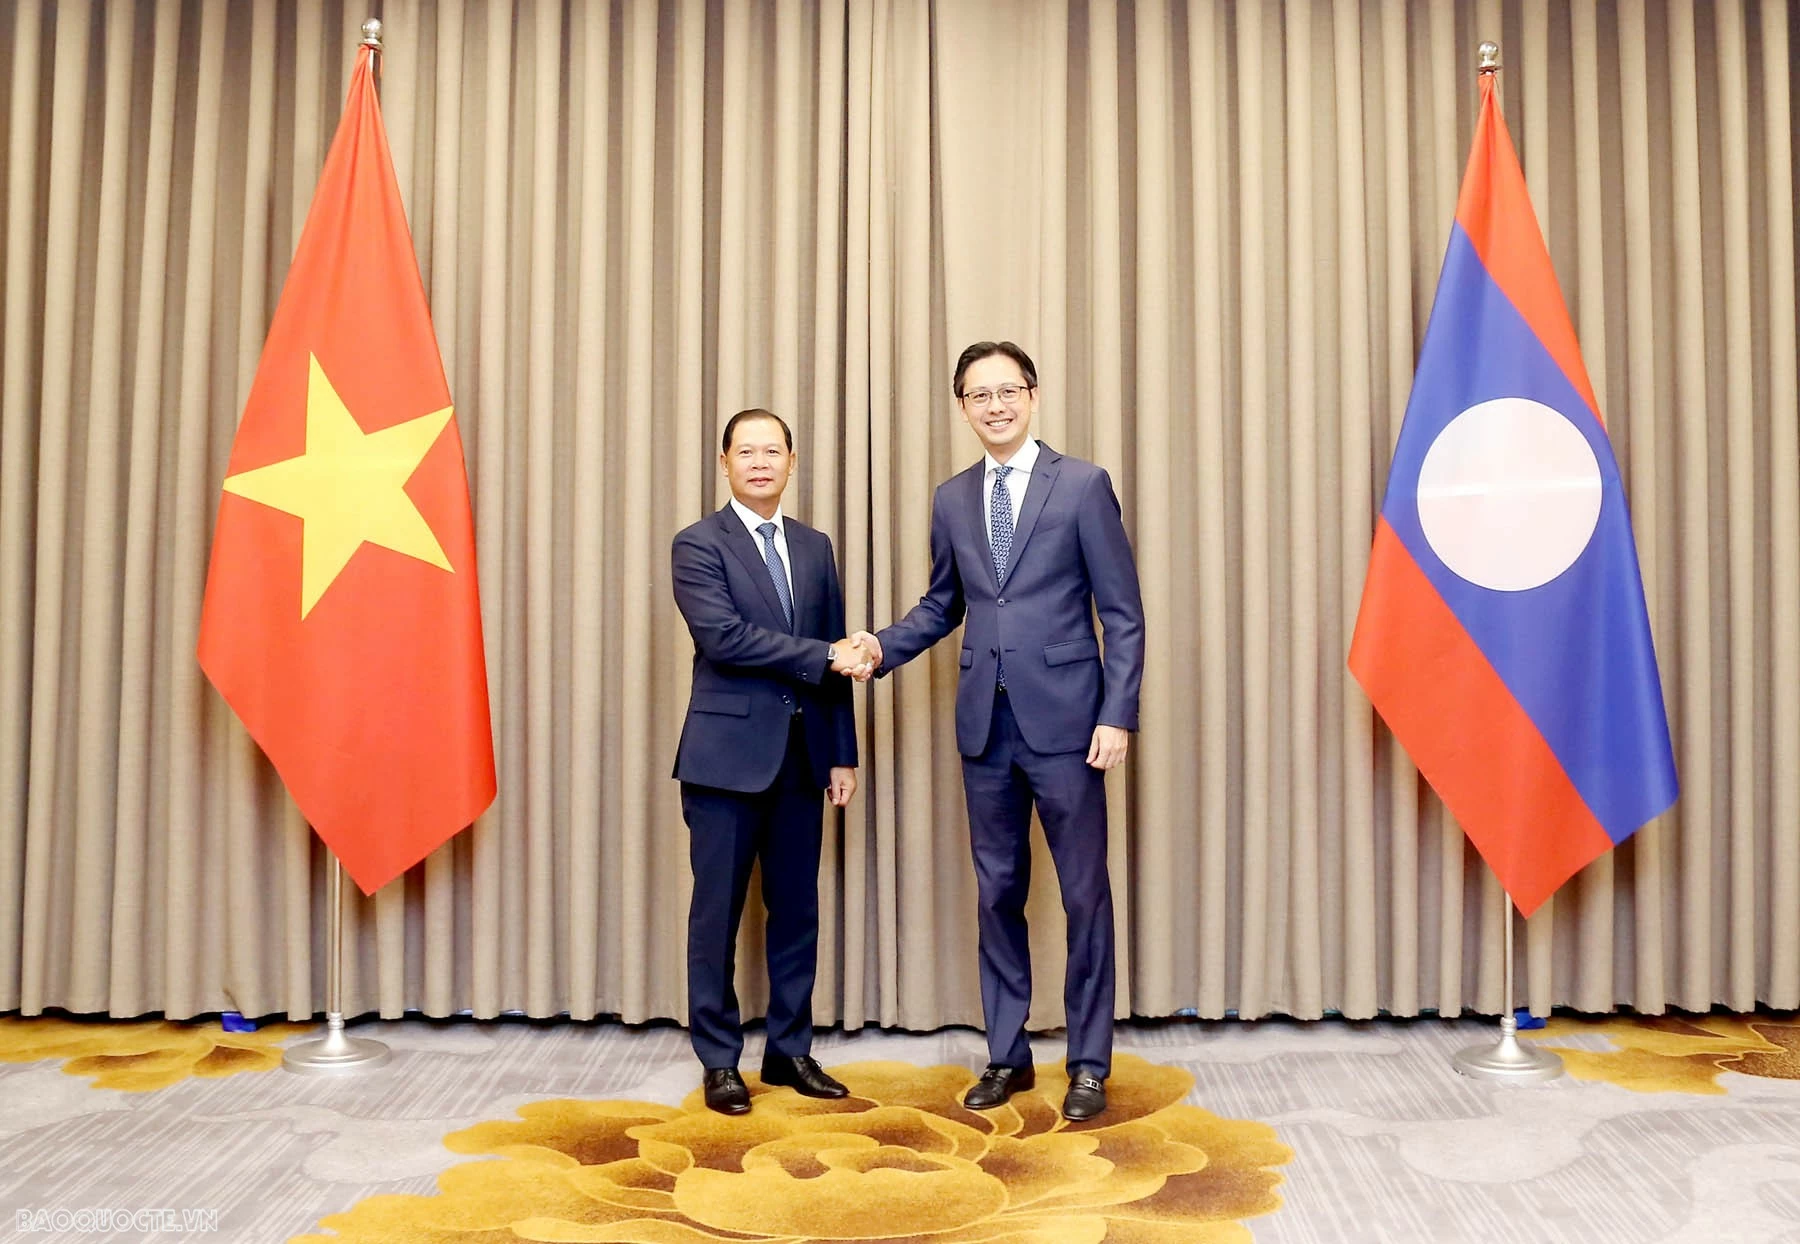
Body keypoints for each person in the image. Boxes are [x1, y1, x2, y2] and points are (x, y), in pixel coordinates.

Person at [852, 341, 1144, 1121]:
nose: (995, 406)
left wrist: (1117, 713)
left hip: (1071, 724)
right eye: (979, 396)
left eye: (1007, 391)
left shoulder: (1082, 486)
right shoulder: (952, 498)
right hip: (986, 726)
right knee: (997, 893)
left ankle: (1088, 1064)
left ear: (1033, 396)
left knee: (1084, 896)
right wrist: (881, 647)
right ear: (962, 408)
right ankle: (1008, 1056)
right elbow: (942, 605)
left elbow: (1122, 613)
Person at [670, 408, 873, 1115]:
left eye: (772, 451)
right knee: (716, 916)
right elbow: (724, 638)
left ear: (792, 462)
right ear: (724, 463)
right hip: (724, 761)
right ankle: (719, 1061)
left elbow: (833, 658)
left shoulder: (815, 547)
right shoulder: (698, 544)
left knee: (796, 911)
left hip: (802, 759)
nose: (760, 463)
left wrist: (841, 753)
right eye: (746, 452)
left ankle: (789, 1051)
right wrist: (826, 653)